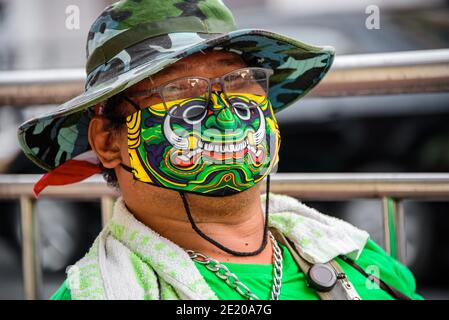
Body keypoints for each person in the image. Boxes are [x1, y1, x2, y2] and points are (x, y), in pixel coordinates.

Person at [18, 0, 423, 300]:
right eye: (179, 87)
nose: (226, 114)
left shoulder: (354, 256)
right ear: (108, 142)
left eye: (240, 80)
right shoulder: (100, 292)